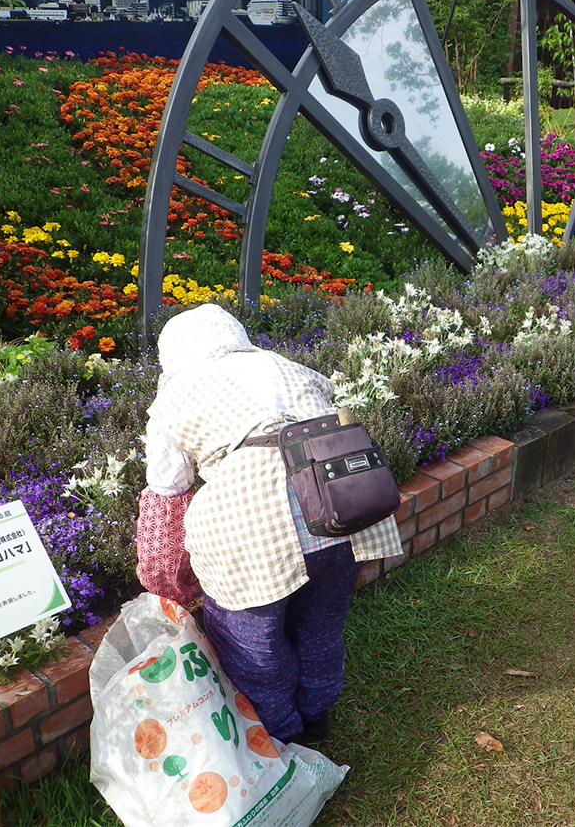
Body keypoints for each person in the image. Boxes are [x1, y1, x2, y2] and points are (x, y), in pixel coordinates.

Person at [135, 304, 403, 746]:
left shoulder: (174, 399)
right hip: (340, 516)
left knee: (253, 645)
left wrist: (166, 581)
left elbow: (168, 492)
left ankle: (280, 734)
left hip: (253, 534)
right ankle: (317, 713)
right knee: (321, 626)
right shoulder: (289, 368)